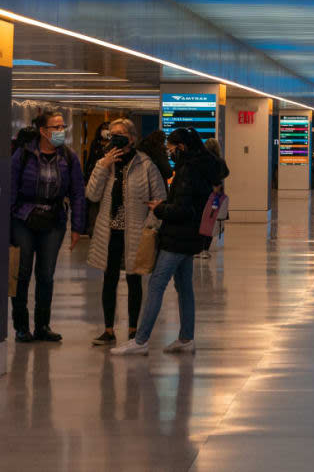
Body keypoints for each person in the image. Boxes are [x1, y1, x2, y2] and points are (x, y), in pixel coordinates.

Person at [111, 127, 222, 356]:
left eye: (171, 149)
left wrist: (159, 208)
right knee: (184, 288)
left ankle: (140, 340)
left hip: (177, 238)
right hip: (192, 237)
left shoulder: (187, 170)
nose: (170, 154)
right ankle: (186, 338)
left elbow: (182, 209)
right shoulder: (202, 165)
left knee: (156, 284)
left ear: (181, 147)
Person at [86, 118, 167, 346]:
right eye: (112, 135)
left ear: (132, 138)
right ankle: (108, 329)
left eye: (121, 134)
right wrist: (103, 166)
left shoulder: (146, 164)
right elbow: (92, 194)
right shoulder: (104, 163)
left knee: (134, 278)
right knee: (109, 278)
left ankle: (133, 329)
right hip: (110, 230)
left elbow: (159, 197)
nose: (116, 138)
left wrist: (150, 225)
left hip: (135, 230)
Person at [9, 110, 86, 342]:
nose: (61, 131)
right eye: (56, 127)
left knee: (46, 274)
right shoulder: (23, 155)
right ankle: (21, 326)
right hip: (23, 218)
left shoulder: (69, 158)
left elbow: (77, 193)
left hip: (53, 221)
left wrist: (77, 227)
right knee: (22, 273)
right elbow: (10, 188)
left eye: (63, 127)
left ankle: (43, 325)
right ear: (43, 131)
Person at [199, 137, 229, 259]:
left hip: (203, 194)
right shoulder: (220, 161)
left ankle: (199, 248)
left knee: (201, 220)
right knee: (211, 221)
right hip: (216, 195)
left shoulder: (202, 161)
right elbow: (226, 173)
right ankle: (205, 249)